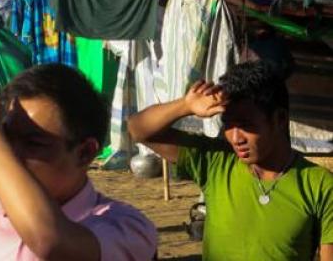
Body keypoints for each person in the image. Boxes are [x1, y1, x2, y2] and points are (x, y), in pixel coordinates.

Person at [0, 64, 157, 260]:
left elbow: (51, 244)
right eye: (5, 139)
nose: (10, 155)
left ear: (85, 153)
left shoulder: (126, 227)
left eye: (33, 143)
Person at [128, 61, 333, 260]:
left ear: (279, 119)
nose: (235, 137)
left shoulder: (319, 185)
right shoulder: (216, 162)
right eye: (228, 124)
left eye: (246, 125)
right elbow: (138, 129)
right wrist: (186, 105)